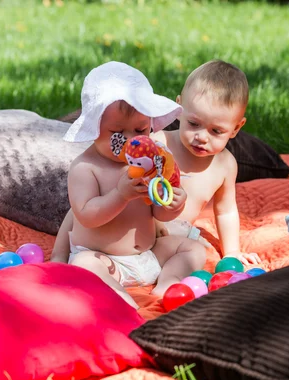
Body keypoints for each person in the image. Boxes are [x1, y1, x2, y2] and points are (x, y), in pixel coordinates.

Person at [53, 61, 206, 308]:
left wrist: (174, 204)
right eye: (118, 132)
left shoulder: (153, 161)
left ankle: (168, 281)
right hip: (105, 261)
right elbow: (86, 216)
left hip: (149, 254)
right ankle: (116, 295)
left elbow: (159, 212)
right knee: (84, 264)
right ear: (95, 129)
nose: (132, 141)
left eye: (140, 129)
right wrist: (120, 195)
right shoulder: (86, 168)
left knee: (193, 249)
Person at [152, 60, 261, 266]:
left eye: (216, 131)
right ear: (179, 108)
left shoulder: (225, 165)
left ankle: (168, 283)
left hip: (180, 237)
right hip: (143, 227)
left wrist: (232, 252)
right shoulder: (160, 144)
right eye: (194, 124)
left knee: (195, 257)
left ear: (236, 128)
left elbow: (226, 210)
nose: (202, 137)